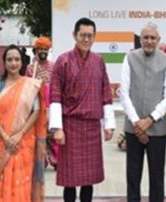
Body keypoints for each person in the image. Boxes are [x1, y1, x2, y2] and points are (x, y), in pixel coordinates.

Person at [49, 17, 116, 202]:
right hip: (69, 127)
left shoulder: (99, 61)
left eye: (90, 36)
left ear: (94, 37)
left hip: (92, 128)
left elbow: (105, 93)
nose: (86, 39)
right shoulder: (63, 61)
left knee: (89, 179)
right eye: (83, 35)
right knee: (69, 180)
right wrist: (57, 128)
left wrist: (108, 124)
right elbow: (54, 96)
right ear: (74, 35)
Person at [119, 23, 166, 201]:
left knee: (157, 177)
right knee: (133, 177)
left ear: (158, 40)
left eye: (153, 38)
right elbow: (124, 92)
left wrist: (150, 120)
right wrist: (138, 123)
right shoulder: (129, 58)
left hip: (157, 129)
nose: (149, 41)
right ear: (140, 39)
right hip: (133, 129)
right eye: (146, 38)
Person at [0, 44, 45, 201]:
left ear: (22, 62)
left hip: (24, 142)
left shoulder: (30, 85)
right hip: (2, 141)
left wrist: (20, 134)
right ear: (4, 62)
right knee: (5, 179)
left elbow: (36, 111)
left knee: (23, 183)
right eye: (9, 59)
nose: (13, 63)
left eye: (17, 59)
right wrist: (6, 137)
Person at [27, 36, 56, 171]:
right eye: (40, 49)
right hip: (37, 105)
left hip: (51, 105)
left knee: (53, 133)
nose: (43, 51)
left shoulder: (53, 66)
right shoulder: (30, 68)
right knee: (39, 134)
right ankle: (41, 160)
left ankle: (56, 160)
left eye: (46, 49)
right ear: (36, 50)